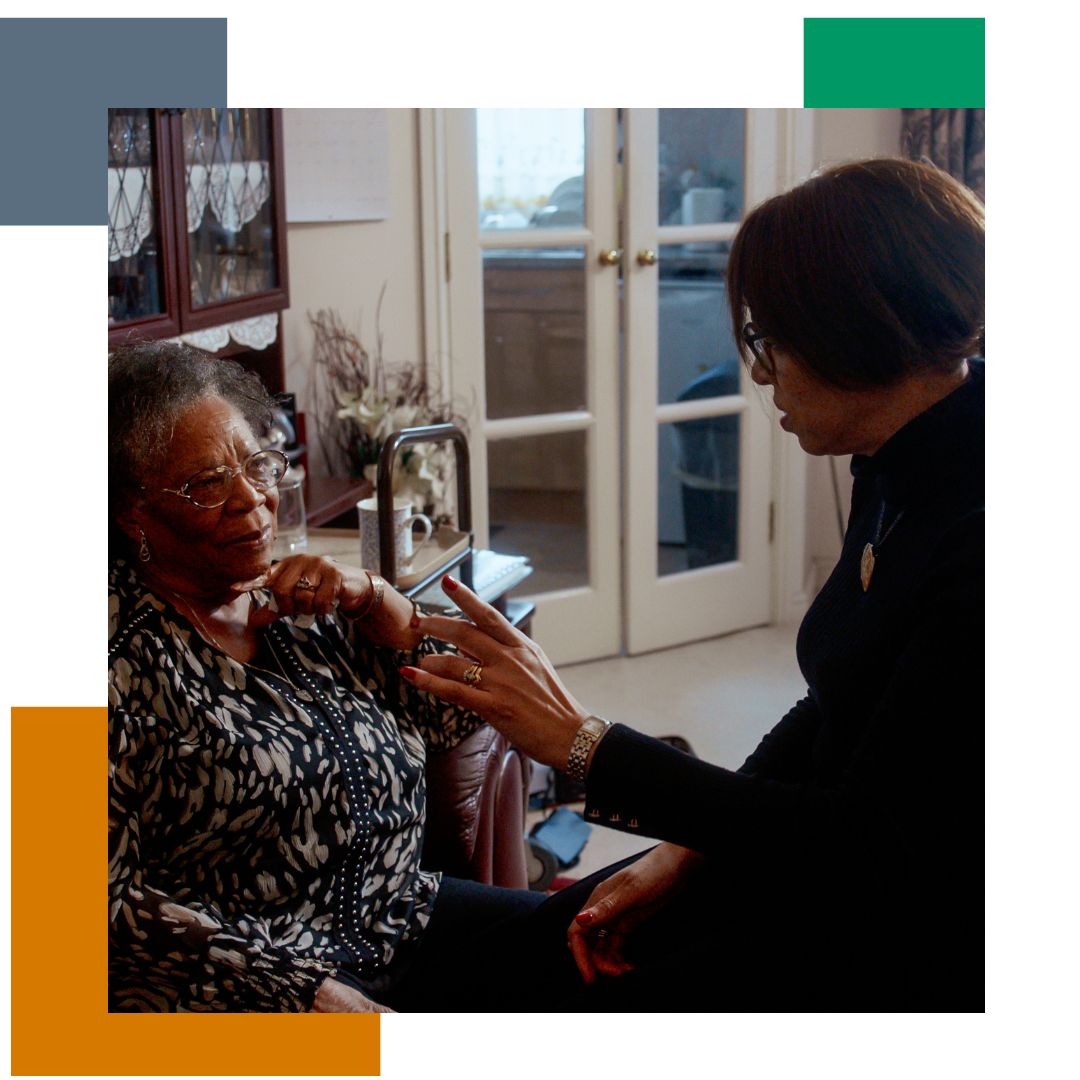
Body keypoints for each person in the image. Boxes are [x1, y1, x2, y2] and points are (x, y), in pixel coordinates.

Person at [401, 157, 985, 1010]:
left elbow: (867, 842)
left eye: (770, 339)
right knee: (503, 946)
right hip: (813, 864)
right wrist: (686, 847)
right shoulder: (894, 461)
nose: (757, 372)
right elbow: (834, 704)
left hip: (897, 931)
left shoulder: (986, 534)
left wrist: (582, 743)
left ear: (861, 328)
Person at [108, 340, 552, 1013]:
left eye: (258, 465)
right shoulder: (111, 658)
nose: (252, 499)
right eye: (206, 483)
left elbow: (469, 710)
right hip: (248, 987)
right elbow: (101, 906)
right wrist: (301, 996)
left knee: (619, 926)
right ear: (131, 511)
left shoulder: (299, 601)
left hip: (400, 920)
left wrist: (381, 602)